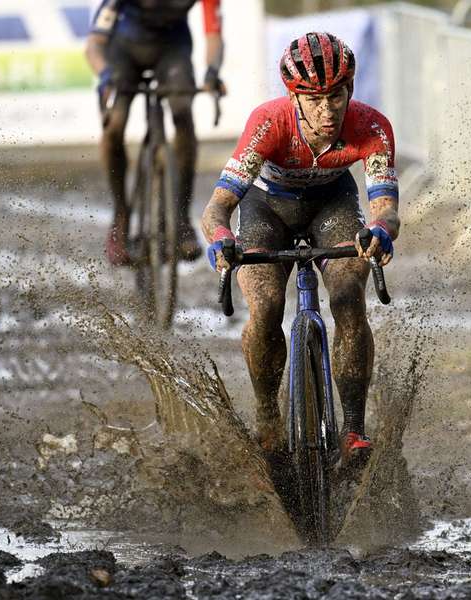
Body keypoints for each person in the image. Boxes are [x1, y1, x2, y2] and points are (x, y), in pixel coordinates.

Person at [200, 32, 400, 466]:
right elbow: (217, 208)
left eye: (336, 96)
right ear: (293, 96)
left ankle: (354, 430)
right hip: (266, 209)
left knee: (348, 300)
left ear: (350, 90)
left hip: (334, 205)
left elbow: (386, 208)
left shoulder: (371, 125)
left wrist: (381, 231)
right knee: (268, 306)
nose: (326, 111)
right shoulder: (269, 122)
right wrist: (221, 239)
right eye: (313, 99)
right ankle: (268, 418)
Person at [85, 0, 225, 266]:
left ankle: (181, 220)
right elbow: (94, 44)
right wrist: (105, 76)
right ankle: (121, 215)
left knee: (183, 113)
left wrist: (212, 72)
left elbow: (214, 36)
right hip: (122, 50)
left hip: (173, 50)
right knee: (114, 125)